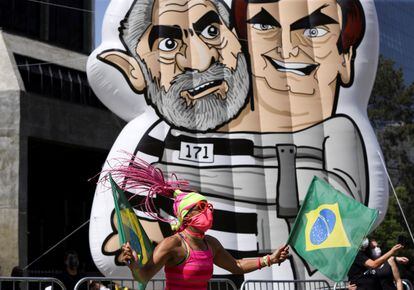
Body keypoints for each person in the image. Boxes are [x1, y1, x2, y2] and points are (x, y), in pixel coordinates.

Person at [107, 156, 290, 289]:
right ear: (186, 215)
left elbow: (236, 266)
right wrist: (133, 263)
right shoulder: (172, 244)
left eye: (208, 206)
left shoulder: (210, 244)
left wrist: (269, 260)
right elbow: (143, 276)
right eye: (201, 207)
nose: (207, 211)